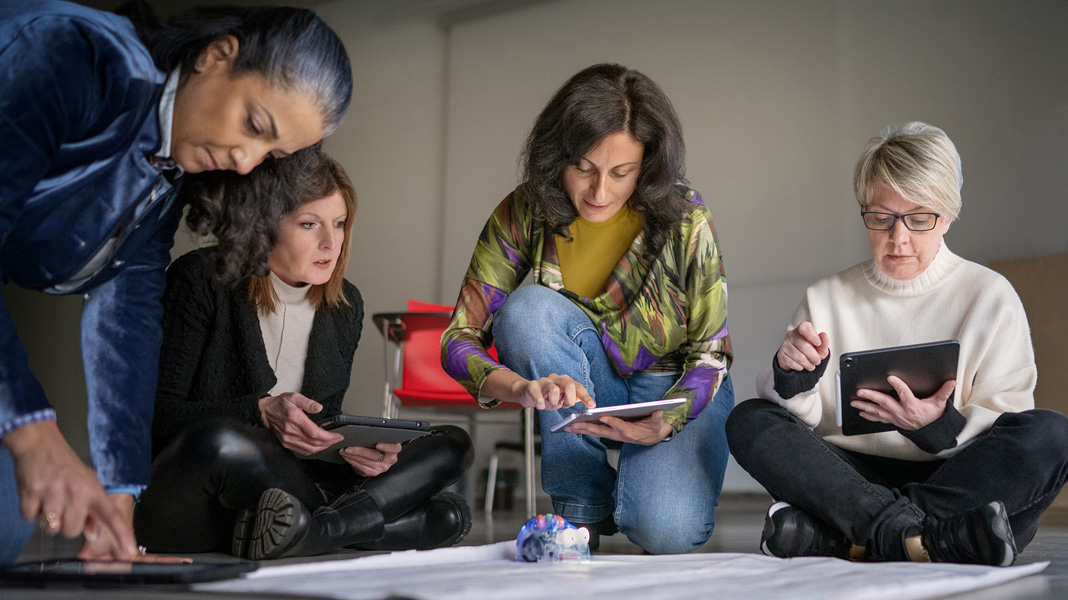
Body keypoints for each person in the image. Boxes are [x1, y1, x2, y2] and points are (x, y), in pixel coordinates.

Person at [0, 0, 351, 563]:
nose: (245, 162)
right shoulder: (73, 54)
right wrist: (32, 430)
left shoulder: (166, 174)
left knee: (4, 522)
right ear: (217, 55)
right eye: (254, 125)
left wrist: (120, 497)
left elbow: (125, 314)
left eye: (271, 153)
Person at [726, 122, 1068, 566]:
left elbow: (1008, 417)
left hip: (956, 475)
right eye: (881, 218)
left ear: (947, 216)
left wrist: (936, 425)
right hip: (850, 480)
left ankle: (850, 538)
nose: (898, 238)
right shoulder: (827, 298)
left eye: (919, 219)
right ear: (865, 212)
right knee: (750, 420)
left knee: (1052, 435)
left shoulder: (990, 296)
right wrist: (793, 375)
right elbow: (798, 418)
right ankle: (936, 539)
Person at [441, 63, 734, 554]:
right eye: (583, 168)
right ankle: (581, 505)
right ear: (556, 156)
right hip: (589, 382)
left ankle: (639, 494)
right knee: (528, 310)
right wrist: (520, 387)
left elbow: (712, 355)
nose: (600, 193)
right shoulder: (525, 210)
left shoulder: (686, 217)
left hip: (674, 389)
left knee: (665, 531)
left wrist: (668, 420)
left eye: (621, 173)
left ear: (647, 165)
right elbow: (458, 338)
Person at [134, 148, 474, 560]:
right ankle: (343, 527)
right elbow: (155, 417)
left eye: (339, 223)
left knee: (451, 442)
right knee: (223, 441)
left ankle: (316, 529)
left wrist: (347, 453)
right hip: (202, 491)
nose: (330, 243)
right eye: (309, 224)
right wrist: (260, 412)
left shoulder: (345, 305)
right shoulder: (202, 278)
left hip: (291, 487)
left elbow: (318, 426)